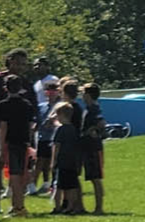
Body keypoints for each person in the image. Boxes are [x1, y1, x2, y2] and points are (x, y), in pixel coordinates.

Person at [0, 49, 38, 217]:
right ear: (10, 60)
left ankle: (17, 204)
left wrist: (33, 127)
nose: (21, 67)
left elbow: (33, 109)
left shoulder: (27, 84)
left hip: (18, 134)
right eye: (19, 63)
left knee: (18, 169)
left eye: (24, 64)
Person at [46, 101, 85, 214]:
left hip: (61, 162)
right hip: (72, 161)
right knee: (71, 185)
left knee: (58, 185)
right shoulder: (73, 129)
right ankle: (71, 206)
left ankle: (57, 207)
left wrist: (53, 162)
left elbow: (56, 146)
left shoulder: (60, 129)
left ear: (61, 115)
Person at [77, 81, 107, 215]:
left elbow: (102, 123)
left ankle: (99, 207)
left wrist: (92, 130)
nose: (82, 95)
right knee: (92, 176)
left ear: (88, 95)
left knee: (96, 178)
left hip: (93, 147)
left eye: (83, 93)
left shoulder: (94, 109)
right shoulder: (88, 109)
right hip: (86, 146)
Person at [29, 74, 62, 199]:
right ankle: (32, 185)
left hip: (54, 138)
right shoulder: (41, 107)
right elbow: (37, 122)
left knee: (51, 163)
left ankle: (50, 185)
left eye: (54, 91)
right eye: (49, 91)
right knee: (39, 162)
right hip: (43, 138)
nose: (51, 93)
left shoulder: (60, 107)